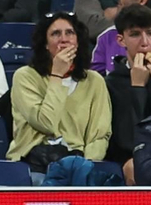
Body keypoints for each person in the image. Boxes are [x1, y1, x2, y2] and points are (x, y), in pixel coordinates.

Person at [6, 11, 110, 171]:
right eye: (55, 34)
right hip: (33, 164)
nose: (64, 39)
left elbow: (100, 136)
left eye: (69, 33)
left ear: (77, 41)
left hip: (78, 162)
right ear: (46, 44)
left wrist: (83, 166)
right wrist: (57, 75)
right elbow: (46, 123)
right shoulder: (25, 77)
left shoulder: (94, 81)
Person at [103, 3, 151, 167]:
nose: (144, 42)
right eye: (135, 34)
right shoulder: (111, 83)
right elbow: (128, 141)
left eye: (150, 33)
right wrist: (138, 87)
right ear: (121, 40)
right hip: (127, 163)